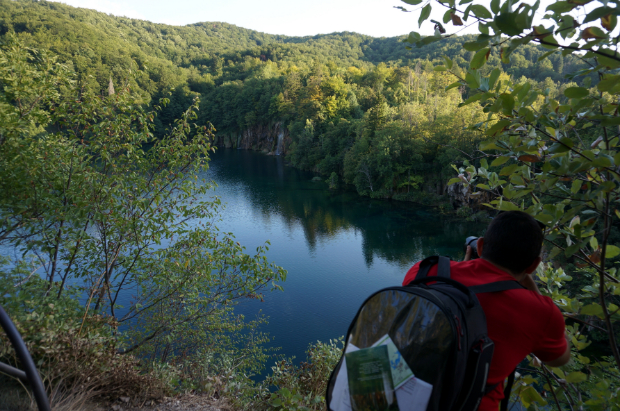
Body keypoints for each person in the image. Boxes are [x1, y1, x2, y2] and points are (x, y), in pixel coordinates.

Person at [402, 211, 570, 411]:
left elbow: (453, 302)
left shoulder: (424, 270)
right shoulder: (541, 313)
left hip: (402, 398)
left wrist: (468, 264)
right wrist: (529, 284)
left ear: (480, 246)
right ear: (534, 265)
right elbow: (560, 359)